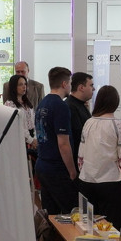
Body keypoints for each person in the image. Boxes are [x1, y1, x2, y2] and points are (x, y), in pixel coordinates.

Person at [76, 86, 121, 225]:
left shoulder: (88, 123)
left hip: (86, 182)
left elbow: (81, 157)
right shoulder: (119, 126)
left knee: (87, 228)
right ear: (115, 102)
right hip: (111, 184)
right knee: (112, 229)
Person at [34, 66, 78, 214]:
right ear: (64, 84)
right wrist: (72, 171)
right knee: (71, 212)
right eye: (70, 82)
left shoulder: (42, 103)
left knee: (51, 213)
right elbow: (63, 143)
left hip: (43, 164)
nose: (70, 86)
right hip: (56, 167)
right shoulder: (60, 106)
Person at [68, 72, 95, 165]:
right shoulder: (70, 107)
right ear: (81, 88)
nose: (94, 89)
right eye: (91, 85)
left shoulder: (81, 105)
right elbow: (78, 136)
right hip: (76, 161)